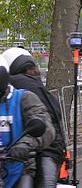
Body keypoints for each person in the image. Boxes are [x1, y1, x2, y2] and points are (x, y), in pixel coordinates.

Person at [2, 47, 66, 188]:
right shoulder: (37, 84)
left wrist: (25, 144)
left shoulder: (17, 88)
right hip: (25, 148)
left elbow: (44, 124)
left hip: (46, 147)